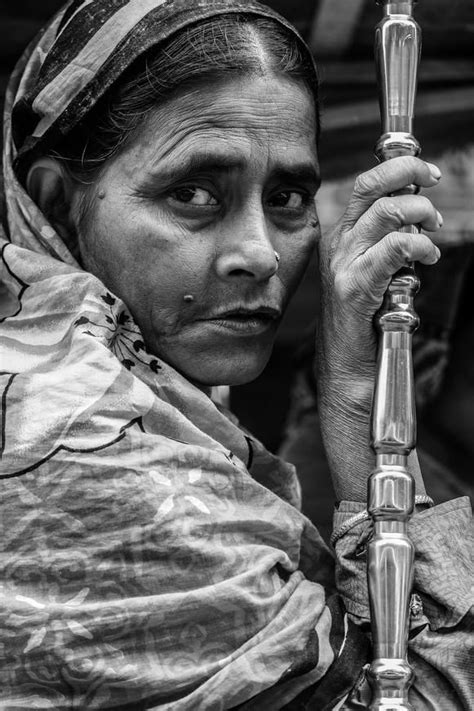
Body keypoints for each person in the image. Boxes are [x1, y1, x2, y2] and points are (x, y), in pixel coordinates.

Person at [0, 1, 471, 709]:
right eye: (192, 192)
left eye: (286, 196)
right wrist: (349, 397)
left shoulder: (155, 405)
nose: (258, 253)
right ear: (59, 201)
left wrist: (351, 387)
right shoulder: (74, 436)